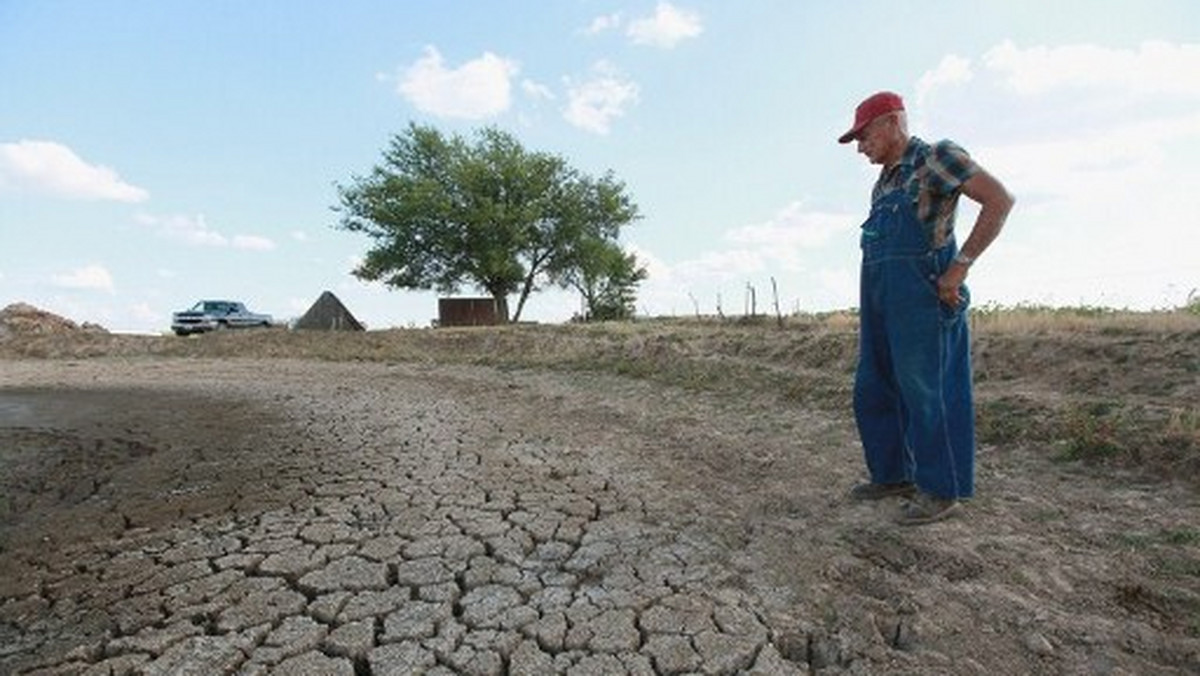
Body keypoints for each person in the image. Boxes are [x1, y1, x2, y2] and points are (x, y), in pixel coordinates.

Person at [838, 91, 1014, 525]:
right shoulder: (884, 182)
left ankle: (940, 490)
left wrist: (960, 268)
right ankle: (893, 474)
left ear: (892, 123)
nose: (861, 148)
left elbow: (999, 200)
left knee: (927, 389)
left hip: (922, 293)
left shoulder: (937, 157)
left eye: (863, 136)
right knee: (873, 385)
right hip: (880, 294)